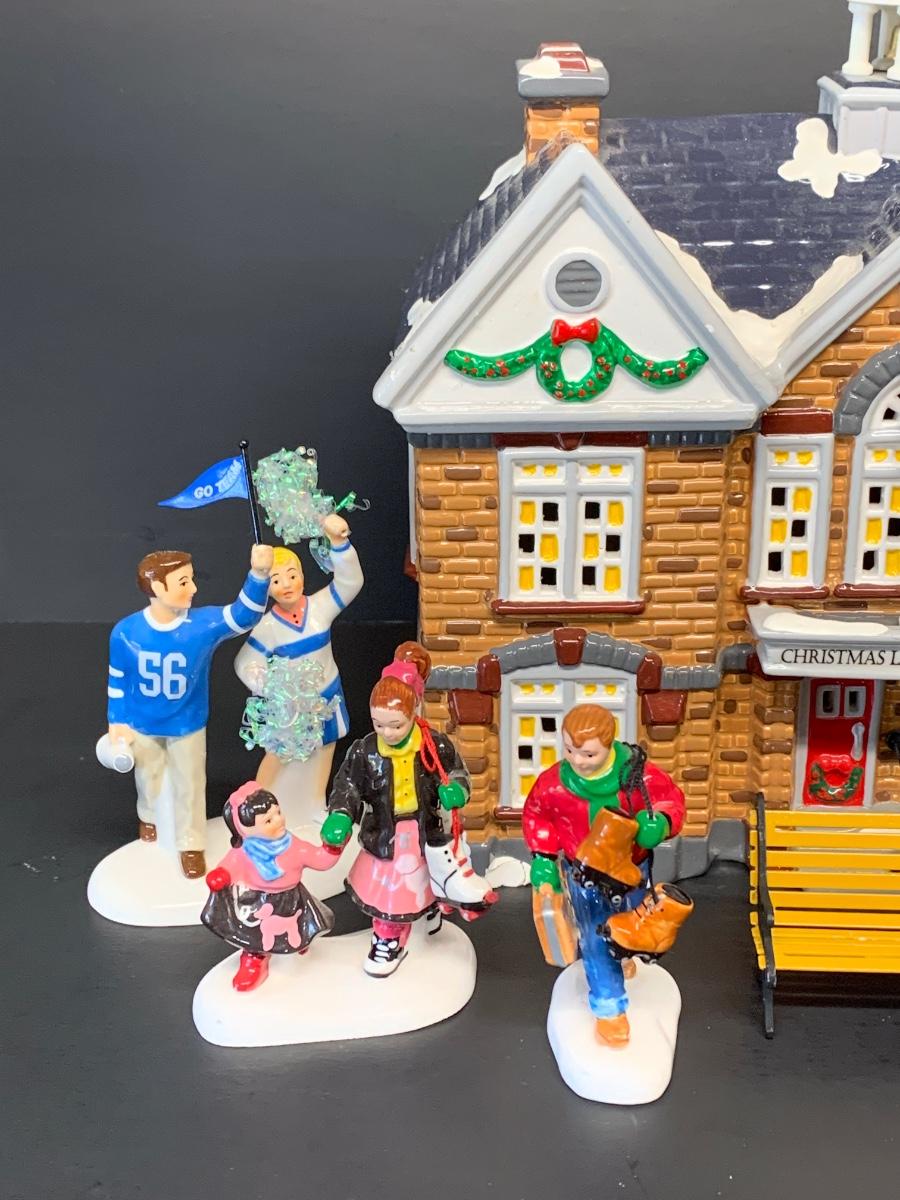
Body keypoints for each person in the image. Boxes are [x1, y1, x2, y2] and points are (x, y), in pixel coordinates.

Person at [320, 642, 497, 977]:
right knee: (390, 893)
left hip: (425, 831)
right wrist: (341, 814)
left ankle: (428, 911)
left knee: (429, 876)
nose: (387, 732)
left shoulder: (434, 744)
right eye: (378, 724)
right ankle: (388, 939)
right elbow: (348, 787)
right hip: (386, 834)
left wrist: (457, 790)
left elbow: (457, 772)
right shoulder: (364, 752)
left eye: (396, 725)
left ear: (415, 711)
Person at [523, 703, 688, 1048]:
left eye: (588, 754)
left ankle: (623, 956)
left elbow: (670, 800)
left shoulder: (638, 776)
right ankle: (609, 1007)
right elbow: (537, 816)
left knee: (637, 922)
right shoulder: (553, 785)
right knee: (595, 936)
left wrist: (660, 823)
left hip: (633, 870)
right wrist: (543, 857)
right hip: (584, 875)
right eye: (569, 750)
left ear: (609, 744)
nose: (577, 761)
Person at [105, 544, 274, 878]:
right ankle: (149, 816)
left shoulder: (201, 625)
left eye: (191, 579)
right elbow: (118, 679)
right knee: (147, 776)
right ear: (157, 587)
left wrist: (259, 574)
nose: (194, 588)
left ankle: (190, 843)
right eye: (183, 582)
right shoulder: (125, 632)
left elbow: (244, 616)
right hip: (142, 722)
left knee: (191, 783)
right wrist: (117, 720)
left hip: (187, 723)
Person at [233, 514, 363, 825]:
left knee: (327, 746)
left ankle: (316, 800)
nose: (286, 585)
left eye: (291, 576)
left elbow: (350, 583)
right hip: (291, 705)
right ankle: (254, 800)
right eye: (276, 580)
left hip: (327, 694)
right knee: (277, 753)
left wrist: (339, 543)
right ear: (267, 589)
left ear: (302, 575)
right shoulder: (268, 627)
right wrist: (271, 687)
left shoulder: (319, 608)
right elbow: (245, 662)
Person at [202, 783, 338, 992]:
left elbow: (320, 860)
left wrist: (333, 847)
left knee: (298, 925)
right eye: (268, 820)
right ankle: (254, 960)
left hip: (291, 899)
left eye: (278, 813)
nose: (279, 820)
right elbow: (229, 867)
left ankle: (299, 944)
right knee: (255, 936)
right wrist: (221, 876)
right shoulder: (244, 852)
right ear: (245, 830)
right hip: (258, 901)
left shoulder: (294, 845)